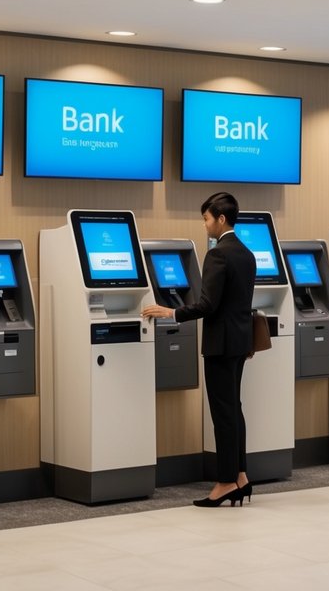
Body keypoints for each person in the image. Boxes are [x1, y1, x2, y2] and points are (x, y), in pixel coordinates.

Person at [142, 192, 256, 507]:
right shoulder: (247, 253)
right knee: (235, 408)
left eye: (207, 219)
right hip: (240, 342)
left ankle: (224, 483)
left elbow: (208, 304)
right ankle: (241, 476)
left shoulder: (219, 254)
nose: (205, 225)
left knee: (223, 414)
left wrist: (171, 312)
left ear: (221, 218)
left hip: (220, 345)